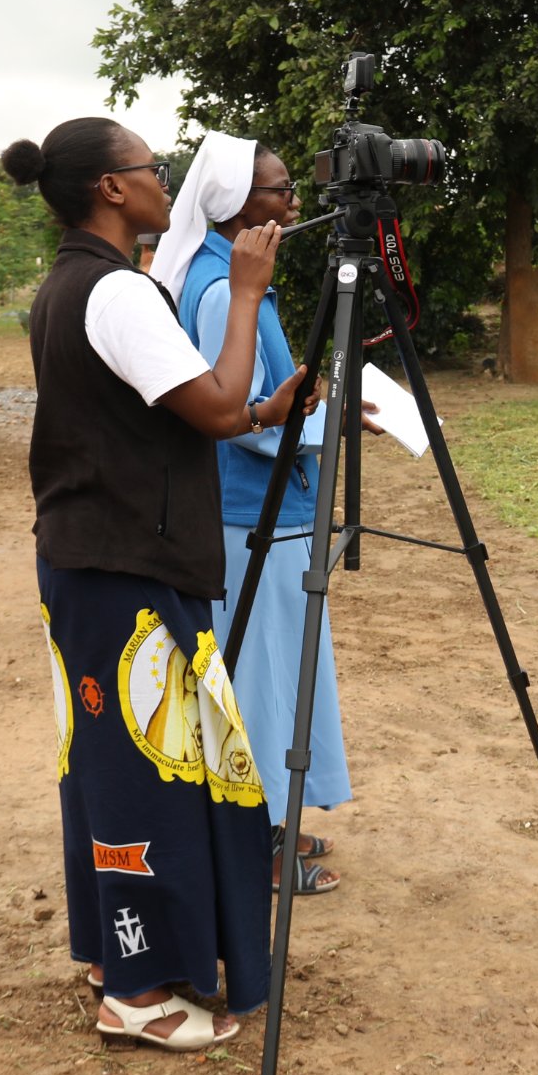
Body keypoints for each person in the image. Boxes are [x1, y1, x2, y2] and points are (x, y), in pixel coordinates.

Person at [6, 116, 313, 1052]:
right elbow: (216, 410)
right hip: (124, 567)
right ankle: (138, 994)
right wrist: (249, 294)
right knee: (147, 774)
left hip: (91, 560)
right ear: (111, 189)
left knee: (111, 767)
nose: (163, 184)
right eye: (151, 169)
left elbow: (178, 417)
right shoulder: (119, 294)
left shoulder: (66, 289)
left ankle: (117, 953)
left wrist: (266, 407)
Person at [150, 134, 375, 896]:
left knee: (275, 680)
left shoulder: (226, 280)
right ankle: (260, 844)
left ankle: (271, 822)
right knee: (262, 687)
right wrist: (328, 423)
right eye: (280, 191)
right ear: (242, 206)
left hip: (268, 517)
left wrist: (332, 412)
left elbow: (273, 406)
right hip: (255, 519)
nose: (295, 202)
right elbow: (240, 421)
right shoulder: (221, 293)